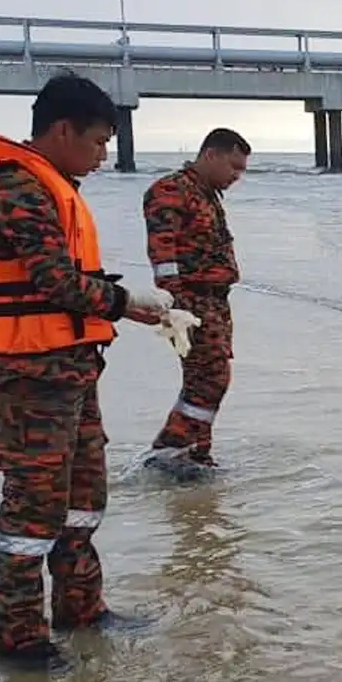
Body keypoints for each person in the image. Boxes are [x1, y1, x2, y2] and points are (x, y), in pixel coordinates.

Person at [0, 73, 175, 673]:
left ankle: (81, 606)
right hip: (29, 378)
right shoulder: (17, 189)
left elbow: (69, 281)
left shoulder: (52, 185)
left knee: (83, 499)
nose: (104, 155)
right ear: (61, 130)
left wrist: (121, 302)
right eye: (99, 141)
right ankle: (22, 639)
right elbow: (54, 281)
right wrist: (125, 301)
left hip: (69, 371)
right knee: (33, 509)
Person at [142, 127, 252, 475]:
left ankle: (193, 454)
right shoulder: (171, 191)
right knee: (210, 378)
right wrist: (175, 308)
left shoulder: (207, 193)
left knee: (210, 378)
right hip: (191, 304)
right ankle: (172, 451)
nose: (237, 177)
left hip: (215, 302)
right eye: (233, 167)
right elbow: (163, 254)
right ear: (210, 155)